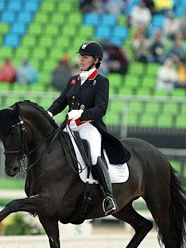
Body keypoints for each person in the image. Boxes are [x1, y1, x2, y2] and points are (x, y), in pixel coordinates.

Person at [47, 41, 130, 215]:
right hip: (70, 126)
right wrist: (48, 113)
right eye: (80, 56)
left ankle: (108, 196)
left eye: (85, 57)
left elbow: (101, 109)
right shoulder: (72, 80)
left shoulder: (101, 81)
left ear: (96, 60)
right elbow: (61, 101)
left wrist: (81, 115)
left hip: (89, 126)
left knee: (93, 154)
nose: (81, 59)